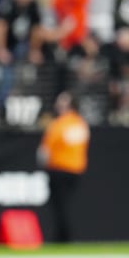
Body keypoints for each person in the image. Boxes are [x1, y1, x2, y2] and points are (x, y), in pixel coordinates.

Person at [37, 91, 90, 242]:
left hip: (59, 169)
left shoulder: (59, 124)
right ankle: (64, 235)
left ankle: (62, 237)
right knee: (66, 205)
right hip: (76, 169)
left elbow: (44, 151)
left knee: (59, 206)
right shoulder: (80, 123)